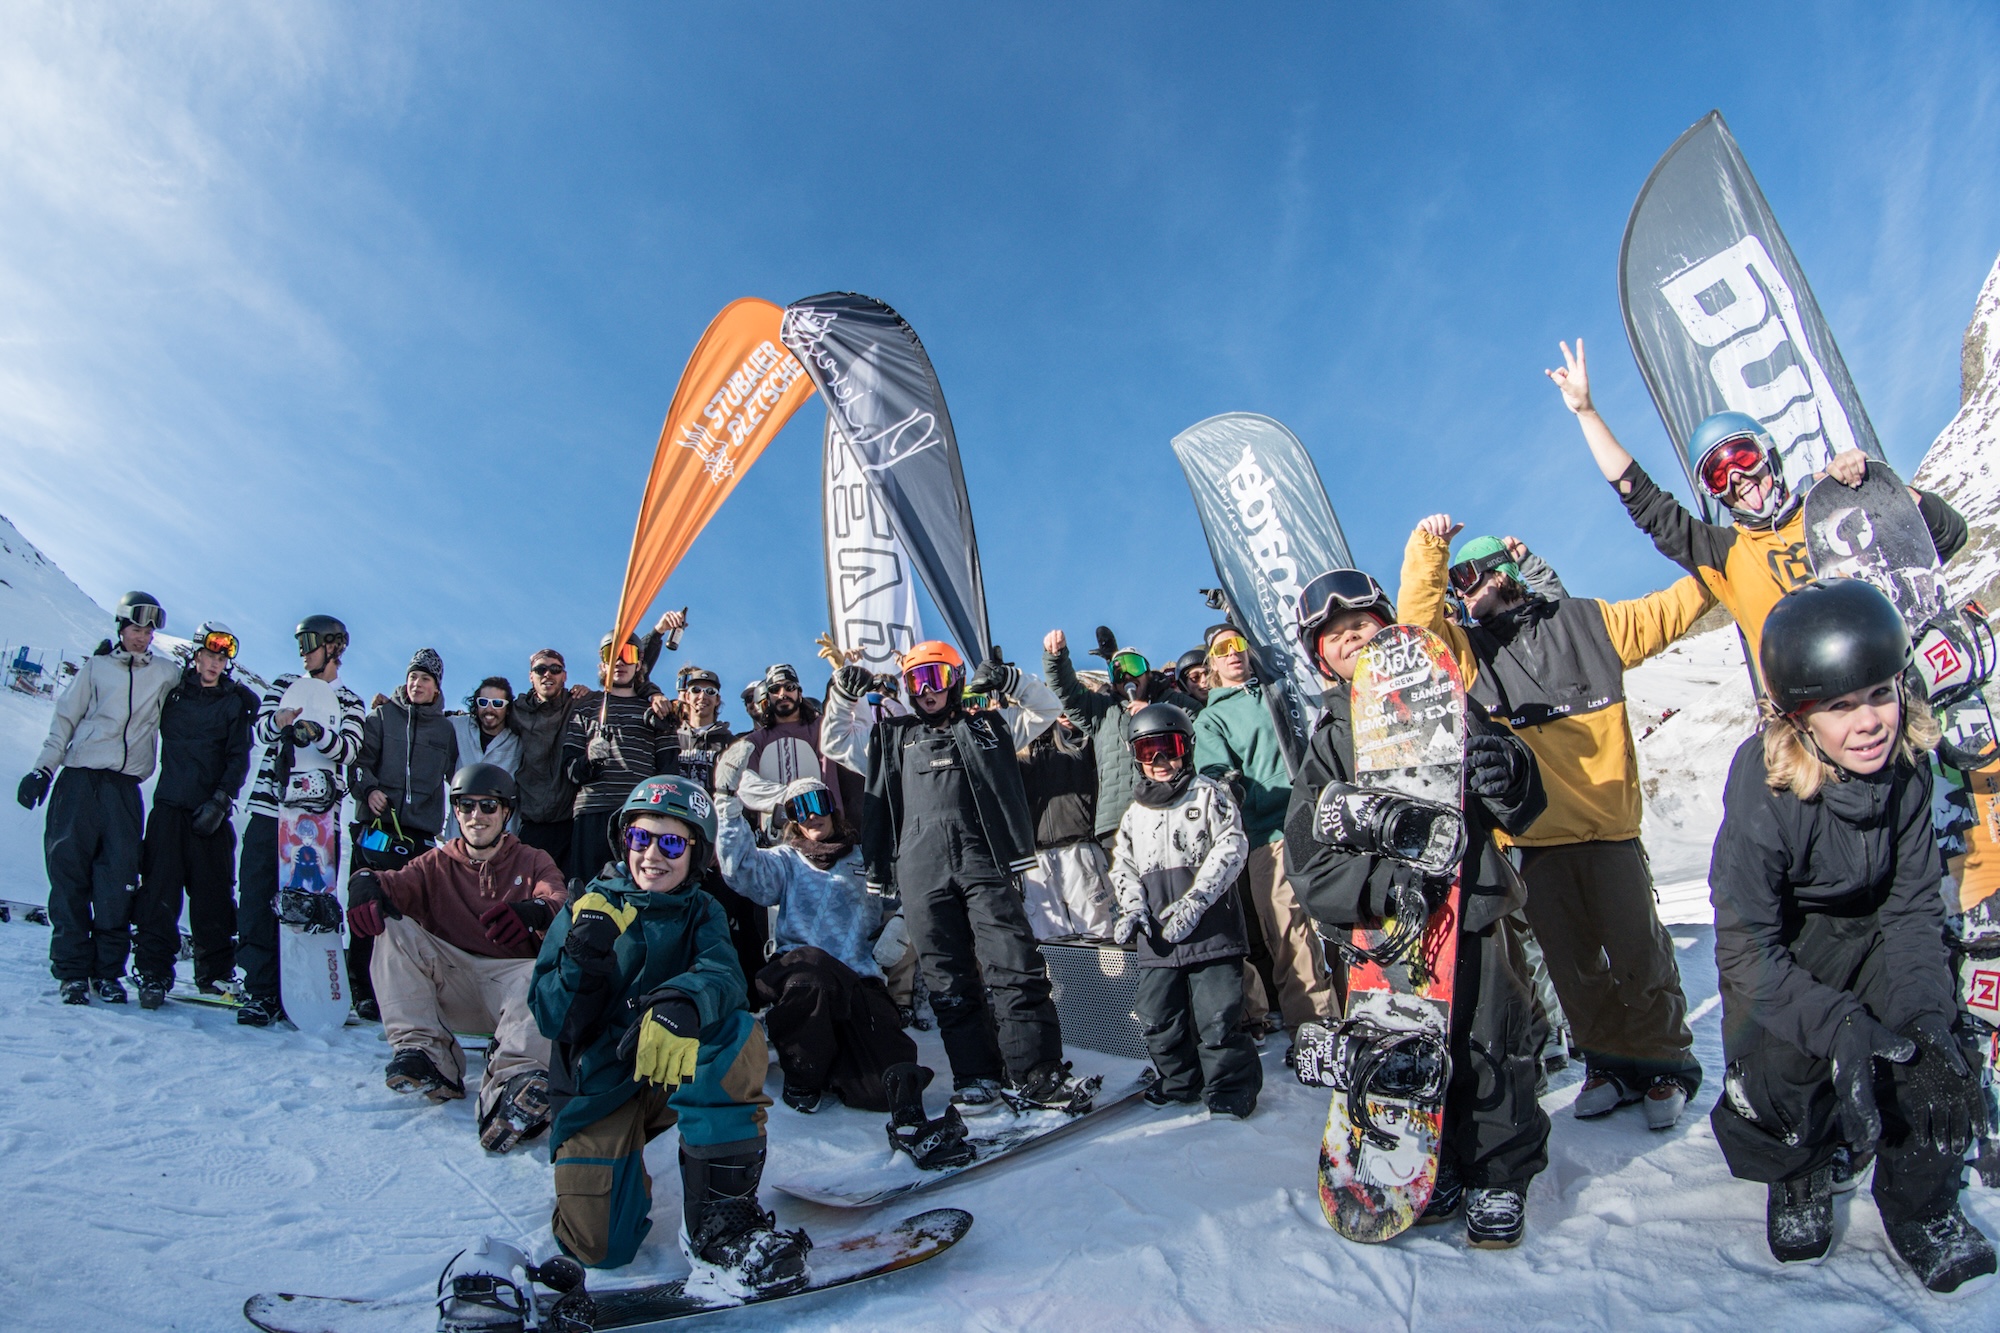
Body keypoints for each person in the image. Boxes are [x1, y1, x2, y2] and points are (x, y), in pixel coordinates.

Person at [1709, 579, 1994, 1291]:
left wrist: (1926, 1021)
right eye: (1838, 706)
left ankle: (1918, 1201)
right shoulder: (1764, 789)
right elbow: (1746, 948)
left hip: (1878, 929)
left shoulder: (1907, 769)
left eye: (1878, 694)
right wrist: (1838, 1025)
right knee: (1778, 1058)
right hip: (1787, 945)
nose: (1868, 721)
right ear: (1796, 717)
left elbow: (1911, 910)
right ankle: (1799, 1168)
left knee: (1935, 1050)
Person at [1402, 514, 1708, 1127]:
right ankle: (1608, 1066)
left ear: (1507, 571)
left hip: (1609, 834)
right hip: (1535, 845)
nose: (1462, 588)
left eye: (1471, 573)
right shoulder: (1468, 655)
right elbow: (1415, 632)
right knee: (1575, 971)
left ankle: (1664, 1068)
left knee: (1640, 959)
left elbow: (1675, 606)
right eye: (1455, 581)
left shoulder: (1590, 624)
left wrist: (1727, 552)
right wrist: (1429, 547)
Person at [1283, 567, 1553, 1249]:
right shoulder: (1329, 745)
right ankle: (1434, 1167)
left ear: (1395, 634)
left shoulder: (1454, 705)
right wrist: (1380, 887)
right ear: (1320, 657)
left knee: (1492, 1045)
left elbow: (1523, 802)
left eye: (1364, 628)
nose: (1352, 640)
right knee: (1407, 1051)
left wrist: (1506, 769)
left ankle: (1498, 1172)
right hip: (1390, 938)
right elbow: (1311, 864)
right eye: (1336, 637)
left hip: (1476, 912)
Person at [529, 775, 809, 1293]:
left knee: (731, 1033)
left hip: (666, 1068)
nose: (652, 855)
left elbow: (723, 974)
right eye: (641, 838)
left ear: (695, 854)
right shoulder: (583, 908)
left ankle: (720, 1225)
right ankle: (610, 1174)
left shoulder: (702, 909)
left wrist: (683, 1001)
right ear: (623, 842)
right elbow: (552, 1019)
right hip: (599, 1088)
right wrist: (583, 960)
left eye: (672, 842)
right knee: (601, 1248)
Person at [1544, 338, 1968, 671]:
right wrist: (1586, 412)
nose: (1739, 481)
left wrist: (1876, 487)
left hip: (1889, 690)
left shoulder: (1830, 508)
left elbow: (1948, 537)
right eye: (1718, 475)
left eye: (1743, 459)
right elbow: (1646, 504)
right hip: (1812, 729)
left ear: (1769, 456)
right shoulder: (1725, 554)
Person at [860, 640, 1093, 1111]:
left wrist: (1011, 679)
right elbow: (837, 742)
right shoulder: (893, 738)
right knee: (947, 976)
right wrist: (843, 699)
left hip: (983, 858)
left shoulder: (988, 726)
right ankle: (976, 1076)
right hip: (920, 867)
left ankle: (1036, 1072)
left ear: (955, 680)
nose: (927, 691)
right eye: (916, 681)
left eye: (936, 678)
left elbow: (1046, 707)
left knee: (1013, 963)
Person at [346, 763, 566, 1153]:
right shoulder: (436, 862)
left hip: (509, 988)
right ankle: (426, 1057)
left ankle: (515, 1085)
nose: (476, 816)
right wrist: (365, 882)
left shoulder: (532, 859)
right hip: (451, 982)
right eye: (466, 806)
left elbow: (558, 899)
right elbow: (394, 884)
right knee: (395, 929)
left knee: (543, 973)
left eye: (488, 806)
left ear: (506, 813)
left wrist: (534, 911)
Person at [716, 776, 917, 1113]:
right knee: (813, 970)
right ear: (792, 820)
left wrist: (902, 925)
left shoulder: (866, 860)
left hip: (857, 978)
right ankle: (802, 1076)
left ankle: (837, 1061)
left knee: (886, 1089)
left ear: (832, 807)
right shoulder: (785, 860)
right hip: (800, 974)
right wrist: (727, 807)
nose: (811, 816)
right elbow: (741, 871)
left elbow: (913, 891)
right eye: (799, 809)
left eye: (817, 803)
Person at [18, 592, 180, 1004]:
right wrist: (43, 769)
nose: (142, 638)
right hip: (78, 783)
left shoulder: (164, 673)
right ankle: (73, 973)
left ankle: (107, 973)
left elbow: (202, 682)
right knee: (70, 878)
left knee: (118, 883)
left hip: (124, 791)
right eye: (135, 629)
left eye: (148, 632)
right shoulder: (96, 668)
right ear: (121, 629)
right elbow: (65, 721)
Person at [1110, 703, 1260, 1117]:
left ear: (1187, 749)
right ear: (1135, 756)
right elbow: (1123, 864)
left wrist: (1197, 901)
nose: (1159, 761)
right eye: (1147, 752)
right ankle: (1180, 1081)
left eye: (1169, 748)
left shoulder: (1210, 795)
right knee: (1158, 1017)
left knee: (1217, 1016)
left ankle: (1230, 1089)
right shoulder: (1134, 814)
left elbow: (1232, 846)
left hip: (1211, 929)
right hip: (1158, 934)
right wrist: (1133, 908)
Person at [1194, 622, 1338, 1044]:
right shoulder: (1212, 717)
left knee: (1341, 923)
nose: (1234, 652)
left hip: (1320, 819)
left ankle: (1365, 1013)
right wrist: (1228, 786)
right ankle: (1315, 1029)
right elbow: (1214, 770)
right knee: (1289, 936)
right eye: (1223, 649)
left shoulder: (1282, 690)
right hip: (1269, 832)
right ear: (1213, 664)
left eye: (1240, 643)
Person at [237, 615, 367, 1027]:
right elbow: (258, 732)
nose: (302, 650)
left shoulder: (350, 700)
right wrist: (281, 723)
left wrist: (316, 734)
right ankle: (260, 992)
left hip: (316, 820)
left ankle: (307, 990)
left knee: (307, 902)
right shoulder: (283, 685)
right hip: (270, 808)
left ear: (334, 647)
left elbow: (349, 750)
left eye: (309, 642)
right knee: (257, 898)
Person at [131, 622, 260, 1008]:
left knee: (214, 898)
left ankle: (216, 975)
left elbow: (239, 757)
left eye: (222, 659)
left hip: (211, 813)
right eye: (209, 655)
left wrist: (221, 801)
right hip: (169, 808)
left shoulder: (235, 702)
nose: (214, 664)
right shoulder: (172, 693)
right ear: (196, 655)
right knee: (158, 893)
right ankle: (153, 972)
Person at [349, 649, 462, 1016]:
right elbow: (359, 763)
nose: (417, 683)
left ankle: (401, 992)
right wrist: (369, 791)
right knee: (367, 908)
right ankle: (361, 990)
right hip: (378, 827)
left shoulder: (445, 729)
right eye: (413, 676)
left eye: (425, 679)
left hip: (419, 835)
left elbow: (455, 776)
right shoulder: (382, 716)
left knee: (410, 916)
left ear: (436, 687)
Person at [1042, 630, 1203, 855]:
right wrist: (1056, 658)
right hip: (1119, 821)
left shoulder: (1173, 701)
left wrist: (1157, 714)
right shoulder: (1102, 710)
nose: (1127, 676)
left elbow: (1202, 726)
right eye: (1118, 672)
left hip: (1177, 808)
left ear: (1148, 672)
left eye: (1134, 667)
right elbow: (1067, 693)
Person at [562, 632, 680, 885]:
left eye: (628, 655)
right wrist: (589, 761)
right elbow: (570, 770)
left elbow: (669, 770)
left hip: (637, 812)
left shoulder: (654, 710)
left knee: (637, 889)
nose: (619, 662)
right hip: (593, 811)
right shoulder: (584, 707)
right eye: (611, 655)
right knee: (588, 891)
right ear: (602, 664)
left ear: (639, 664)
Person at [1017, 714, 1117, 940]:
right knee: (1049, 937)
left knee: (1099, 930)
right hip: (1036, 858)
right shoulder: (1014, 760)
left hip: (1080, 850)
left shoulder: (1079, 744)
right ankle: (1058, 977)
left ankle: (1110, 976)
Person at [514, 649, 581, 872]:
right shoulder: (516, 711)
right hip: (531, 822)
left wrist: (653, 693)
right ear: (530, 676)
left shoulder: (578, 704)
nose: (547, 674)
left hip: (568, 823)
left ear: (565, 676)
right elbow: (481, 714)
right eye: (540, 669)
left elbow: (624, 686)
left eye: (555, 669)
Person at [443, 677, 522, 839]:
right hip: (460, 834)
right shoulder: (459, 726)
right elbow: (424, 718)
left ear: (508, 709)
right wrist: (392, 705)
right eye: (483, 702)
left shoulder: (520, 739)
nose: (489, 709)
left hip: (502, 838)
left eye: (498, 704)